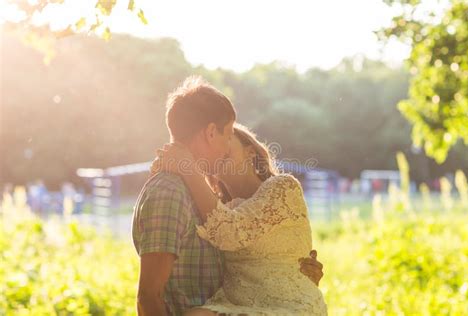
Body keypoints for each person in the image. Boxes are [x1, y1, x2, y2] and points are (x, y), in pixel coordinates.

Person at [132, 76, 324, 315]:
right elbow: (149, 294)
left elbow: (235, 233)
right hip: (231, 305)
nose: (224, 148)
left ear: (251, 153)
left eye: (230, 142)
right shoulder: (182, 195)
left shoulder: (281, 188)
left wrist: (295, 273)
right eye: (227, 134)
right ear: (211, 132)